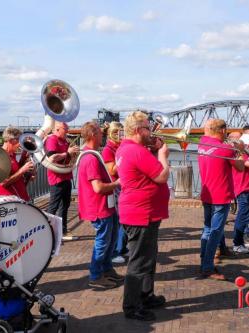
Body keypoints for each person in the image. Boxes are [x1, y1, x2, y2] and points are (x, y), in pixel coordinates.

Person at [116, 111, 170, 321]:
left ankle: (146, 296)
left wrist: (154, 150)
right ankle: (132, 306)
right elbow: (162, 176)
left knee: (148, 258)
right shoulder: (136, 151)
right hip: (141, 214)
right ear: (138, 130)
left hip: (143, 213)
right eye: (148, 127)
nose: (151, 130)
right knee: (138, 263)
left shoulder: (129, 148)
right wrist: (163, 156)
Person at [77, 121, 123, 289]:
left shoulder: (91, 154)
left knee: (110, 240)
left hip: (105, 205)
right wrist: (117, 183)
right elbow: (98, 187)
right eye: (100, 133)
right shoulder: (90, 158)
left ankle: (107, 269)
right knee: (103, 242)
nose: (102, 135)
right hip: (99, 207)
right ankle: (95, 276)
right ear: (93, 135)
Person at [198, 119, 244, 281]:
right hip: (221, 195)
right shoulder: (225, 148)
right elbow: (240, 167)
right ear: (223, 131)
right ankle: (208, 267)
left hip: (207, 193)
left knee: (207, 229)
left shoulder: (202, 143)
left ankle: (204, 261)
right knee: (215, 233)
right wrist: (240, 151)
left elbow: (207, 133)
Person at [45, 121, 80, 241]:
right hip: (57, 178)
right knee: (53, 206)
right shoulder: (52, 140)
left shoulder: (65, 140)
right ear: (58, 129)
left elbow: (68, 157)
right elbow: (51, 158)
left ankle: (63, 232)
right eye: (65, 130)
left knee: (65, 205)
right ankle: (48, 232)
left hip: (66, 176)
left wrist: (73, 153)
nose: (67, 132)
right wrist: (68, 153)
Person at [102, 121, 127, 264]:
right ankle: (115, 251)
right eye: (120, 132)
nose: (122, 135)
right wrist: (124, 156)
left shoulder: (118, 147)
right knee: (119, 221)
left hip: (121, 187)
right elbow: (111, 170)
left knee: (122, 221)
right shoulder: (108, 149)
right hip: (115, 188)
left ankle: (122, 248)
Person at [228, 132, 249, 254]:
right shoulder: (236, 154)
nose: (242, 140)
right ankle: (237, 244)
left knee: (245, 217)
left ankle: (240, 242)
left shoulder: (242, 152)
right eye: (239, 138)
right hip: (243, 188)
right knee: (242, 217)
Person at [0, 126, 35, 201]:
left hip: (19, 197)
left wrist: (23, 158)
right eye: (19, 140)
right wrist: (23, 170)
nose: (20, 144)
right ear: (10, 140)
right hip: (9, 200)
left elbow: (14, 172)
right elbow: (3, 183)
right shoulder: (0, 156)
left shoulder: (12, 154)